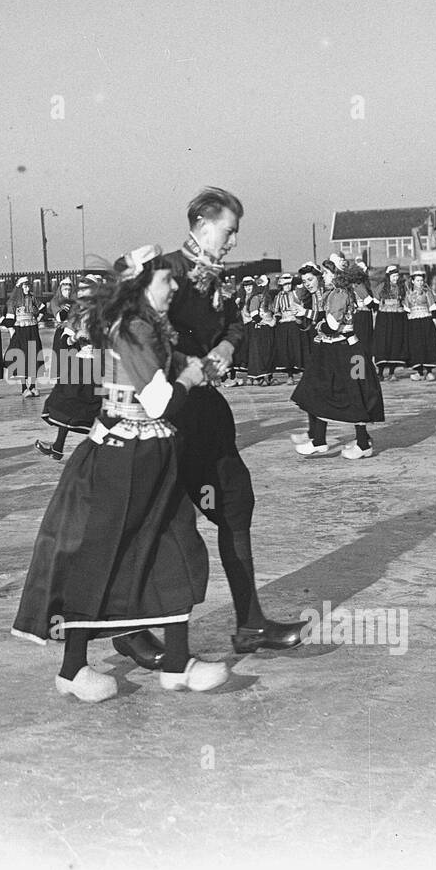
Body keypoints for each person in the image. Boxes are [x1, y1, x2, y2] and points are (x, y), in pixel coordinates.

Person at [12, 245, 225, 702]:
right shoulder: (132, 327)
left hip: (151, 453)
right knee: (99, 558)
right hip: (121, 460)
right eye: (166, 280)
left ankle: (177, 661)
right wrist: (192, 374)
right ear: (141, 286)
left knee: (175, 548)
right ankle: (72, 670)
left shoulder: (151, 326)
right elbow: (159, 402)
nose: (173, 288)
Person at [117, 188, 308, 666]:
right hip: (167, 418)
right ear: (202, 225)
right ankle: (132, 630)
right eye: (228, 231)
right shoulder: (166, 273)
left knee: (235, 504)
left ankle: (250, 623)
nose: (232, 242)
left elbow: (237, 326)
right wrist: (188, 360)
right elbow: (138, 335)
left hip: (206, 416)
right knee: (161, 523)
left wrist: (225, 348)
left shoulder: (218, 279)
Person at [291, 257, 384, 459]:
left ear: (336, 275)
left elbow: (331, 326)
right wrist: (308, 313)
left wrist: (315, 324)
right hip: (345, 352)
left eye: (325, 273)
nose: (322, 276)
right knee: (340, 392)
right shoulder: (336, 293)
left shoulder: (338, 293)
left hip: (347, 353)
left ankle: (347, 442)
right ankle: (331, 440)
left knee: (355, 393)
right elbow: (327, 317)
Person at [36, 274, 102, 460]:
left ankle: (99, 452)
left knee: (98, 408)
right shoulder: (78, 311)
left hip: (100, 364)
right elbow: (66, 338)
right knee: (68, 401)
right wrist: (75, 337)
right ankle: (58, 447)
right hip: (82, 363)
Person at [3, 276, 43, 397]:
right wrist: (12, 332)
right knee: (22, 359)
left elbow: (43, 309)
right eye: (25, 286)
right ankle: (24, 387)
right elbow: (9, 320)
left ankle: (33, 386)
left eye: (28, 286)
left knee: (33, 356)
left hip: (32, 330)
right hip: (20, 332)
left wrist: (37, 319)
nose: (27, 288)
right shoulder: (13, 301)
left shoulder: (32, 298)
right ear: (20, 288)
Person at [403, 270, 436, 381]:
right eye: (417, 280)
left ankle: (429, 371)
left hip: (426, 320)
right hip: (413, 322)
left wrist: (433, 320)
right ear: (413, 281)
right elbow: (406, 309)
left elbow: (433, 307)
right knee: (416, 345)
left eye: (421, 280)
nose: (420, 282)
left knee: (428, 344)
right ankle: (419, 371)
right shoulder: (408, 294)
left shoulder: (427, 293)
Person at [373, 265, 408, 381]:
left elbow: (405, 301)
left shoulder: (401, 287)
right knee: (383, 343)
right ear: (388, 276)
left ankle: (392, 372)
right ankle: (380, 372)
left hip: (398, 317)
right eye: (393, 276)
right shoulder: (382, 287)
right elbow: (375, 302)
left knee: (395, 343)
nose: (396, 278)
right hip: (384, 318)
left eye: (397, 276)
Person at [270, 272, 304, 385]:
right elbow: (276, 310)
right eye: (285, 285)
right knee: (287, 349)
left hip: (294, 323)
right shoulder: (278, 296)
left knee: (297, 348)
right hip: (284, 324)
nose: (288, 286)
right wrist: (276, 319)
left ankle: (300, 370)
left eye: (289, 284)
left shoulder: (295, 294)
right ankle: (290, 375)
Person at [244, 274, 277, 385]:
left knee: (267, 351)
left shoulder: (267, 297)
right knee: (259, 352)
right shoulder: (256, 297)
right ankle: (259, 376)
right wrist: (267, 322)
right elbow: (254, 314)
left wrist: (274, 319)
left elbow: (273, 310)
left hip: (266, 329)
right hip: (259, 329)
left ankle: (267, 375)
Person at [47, 276, 75, 379]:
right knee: (62, 360)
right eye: (65, 289)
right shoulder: (55, 301)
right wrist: (67, 305)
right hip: (62, 332)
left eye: (69, 289)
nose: (67, 291)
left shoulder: (75, 301)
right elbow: (60, 317)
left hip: (73, 331)